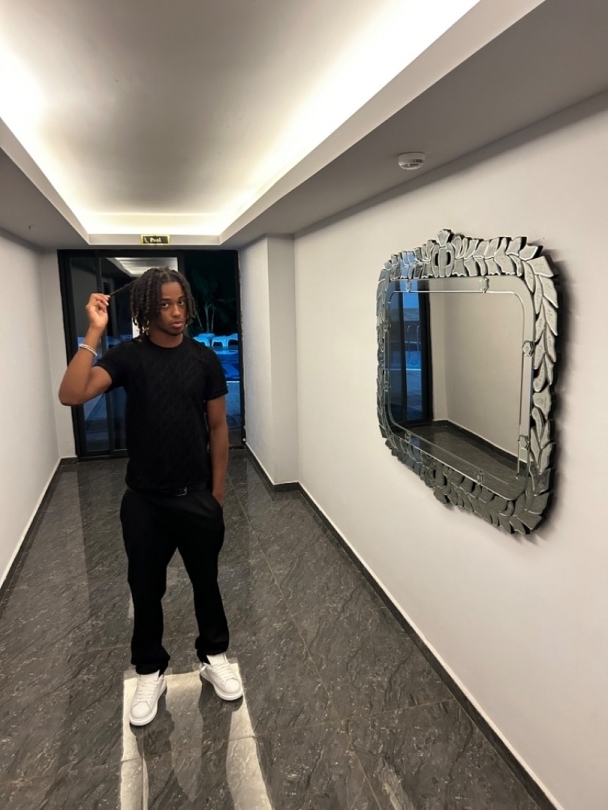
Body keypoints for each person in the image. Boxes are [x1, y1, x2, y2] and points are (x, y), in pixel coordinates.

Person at [59, 266, 242, 726]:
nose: (176, 312)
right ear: (146, 309)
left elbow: (218, 429)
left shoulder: (203, 360)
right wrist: (94, 332)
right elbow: (71, 393)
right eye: (164, 304)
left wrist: (216, 496)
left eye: (180, 303)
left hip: (196, 496)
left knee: (206, 582)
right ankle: (150, 670)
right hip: (144, 502)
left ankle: (213, 657)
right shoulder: (128, 357)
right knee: (145, 590)